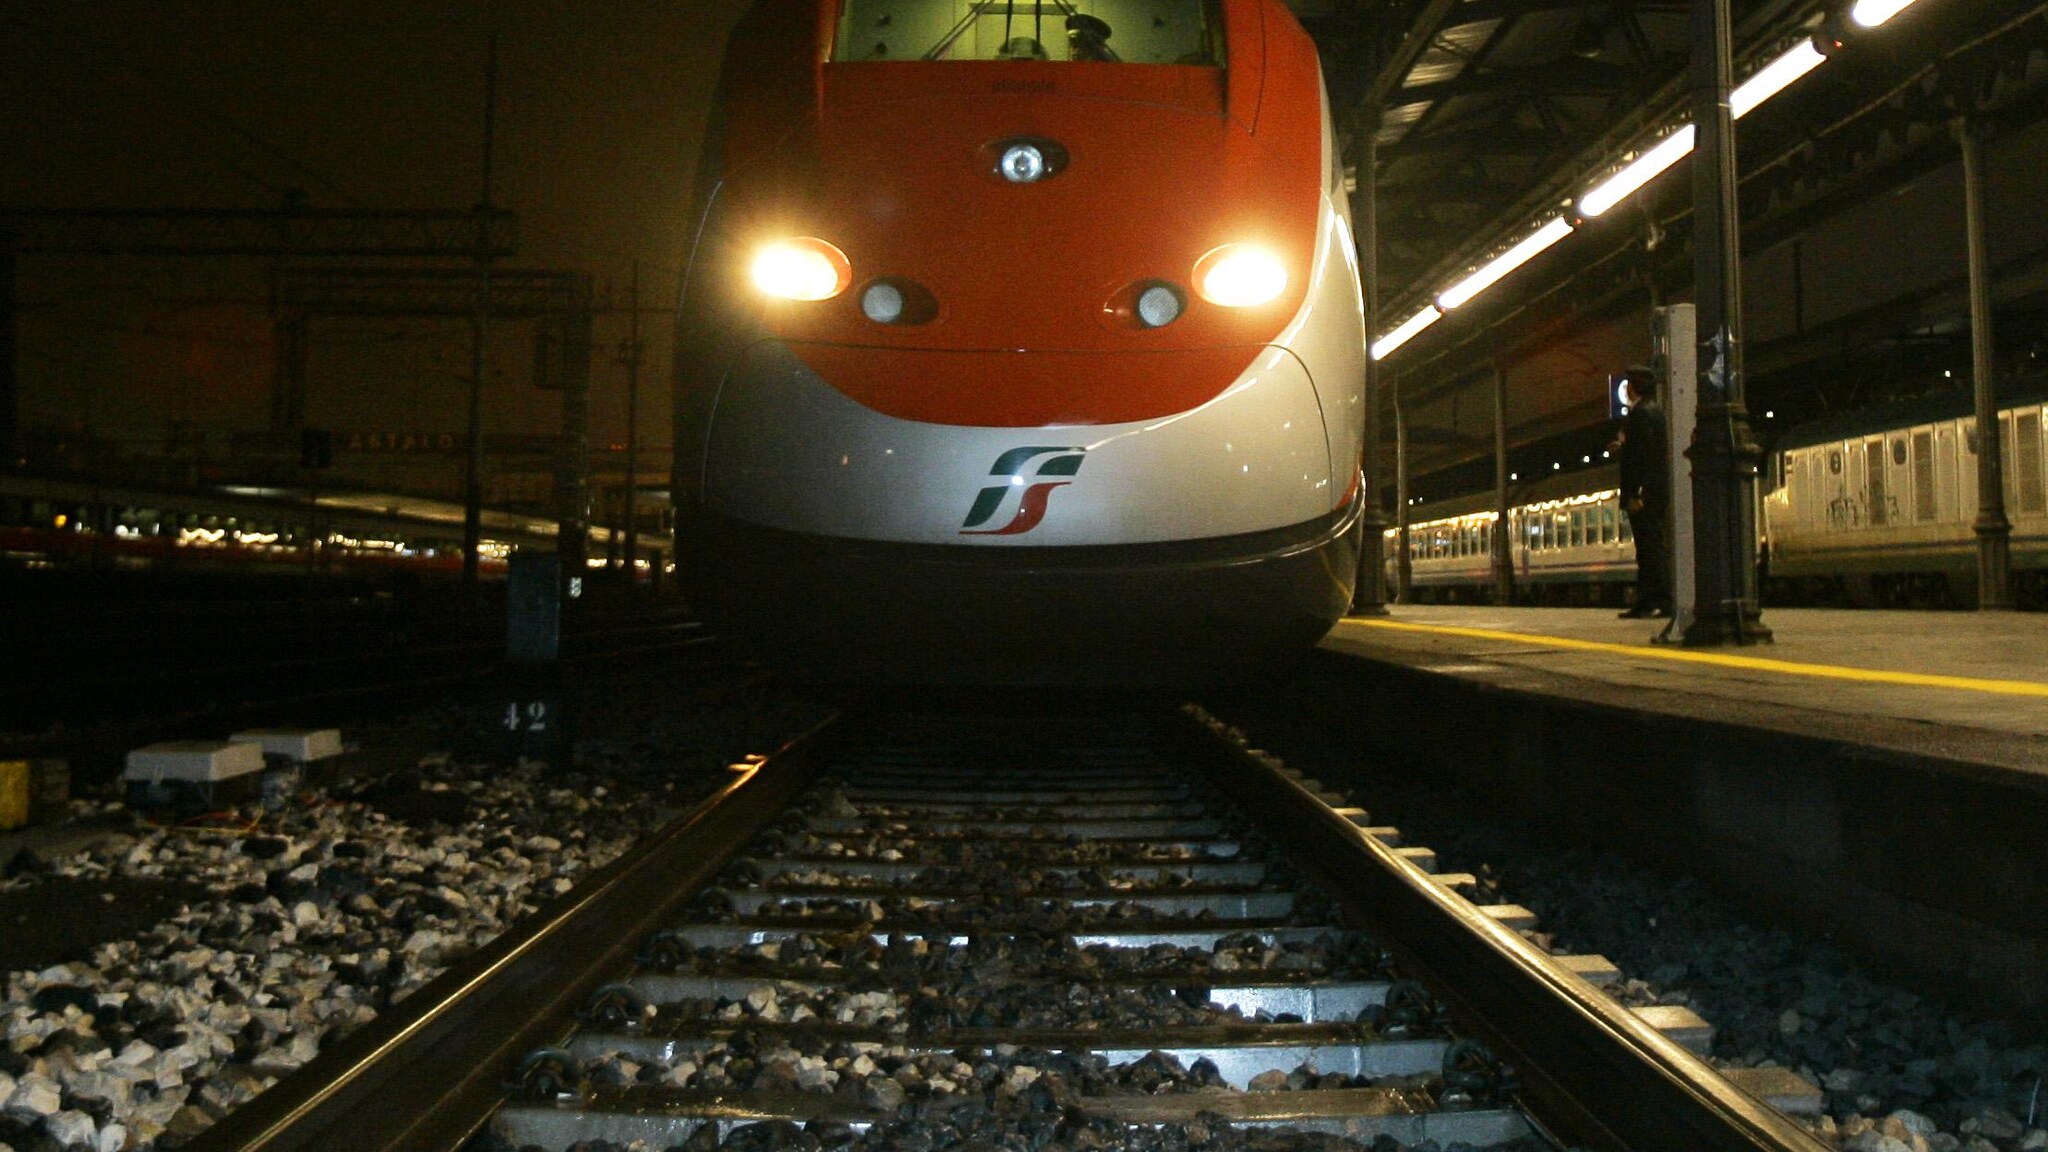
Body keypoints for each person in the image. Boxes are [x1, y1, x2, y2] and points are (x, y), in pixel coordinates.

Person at [1613, 366, 1672, 618]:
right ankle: (1650, 599)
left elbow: (1644, 457)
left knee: (1649, 549)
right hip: (1652, 491)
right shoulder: (1655, 411)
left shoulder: (1641, 414)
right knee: (1650, 547)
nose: (1625, 388)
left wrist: (1638, 494)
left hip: (1644, 494)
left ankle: (1656, 599)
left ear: (1633, 387)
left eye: (1627, 384)